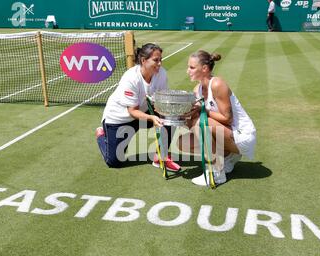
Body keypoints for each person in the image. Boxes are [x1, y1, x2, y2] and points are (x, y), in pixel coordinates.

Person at [96, 43, 181, 171]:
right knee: (114, 162)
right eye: (156, 60)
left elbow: (162, 100)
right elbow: (132, 111)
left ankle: (160, 157)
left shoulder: (161, 73)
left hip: (143, 112)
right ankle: (101, 134)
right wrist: (152, 118)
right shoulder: (131, 78)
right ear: (143, 60)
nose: (159, 64)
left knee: (170, 116)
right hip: (120, 118)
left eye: (160, 60)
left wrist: (167, 113)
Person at [178, 50, 256, 186]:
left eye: (191, 67)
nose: (187, 71)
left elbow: (228, 118)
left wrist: (202, 111)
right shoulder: (197, 90)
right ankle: (228, 157)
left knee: (202, 121)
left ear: (204, 68)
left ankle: (216, 173)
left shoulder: (217, 84)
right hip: (226, 134)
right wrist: (177, 117)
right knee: (183, 143)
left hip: (242, 135)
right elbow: (194, 125)